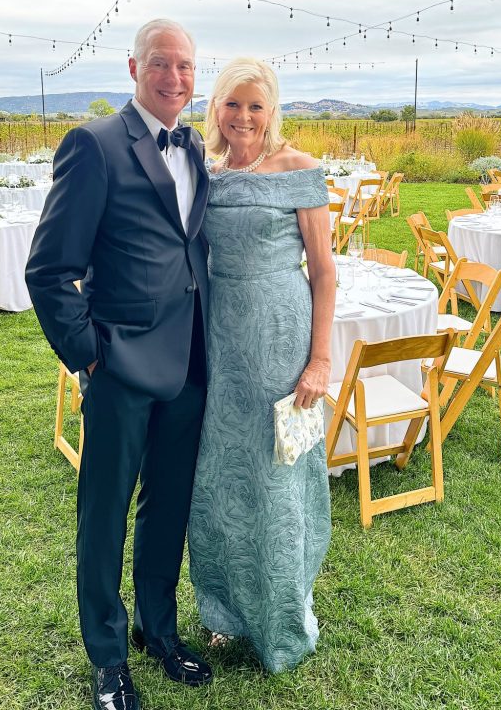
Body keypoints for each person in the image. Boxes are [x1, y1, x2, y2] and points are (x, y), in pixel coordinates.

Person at [26, 19, 213, 710]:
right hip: (122, 367)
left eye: (186, 66)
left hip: (190, 364)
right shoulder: (95, 145)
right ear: (133, 68)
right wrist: (90, 357)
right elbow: (49, 270)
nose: (174, 77)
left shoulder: (195, 146)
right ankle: (107, 660)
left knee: (167, 510)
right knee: (103, 517)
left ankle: (156, 632)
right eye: (161, 63)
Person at [187, 56, 336, 673]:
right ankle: (223, 611)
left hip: (280, 340)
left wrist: (320, 359)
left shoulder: (299, 170)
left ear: (272, 111)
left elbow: (325, 272)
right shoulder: (206, 174)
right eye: (232, 103)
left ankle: (282, 619)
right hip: (218, 342)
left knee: (277, 476)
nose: (243, 116)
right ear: (215, 109)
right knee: (218, 476)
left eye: (256, 104)